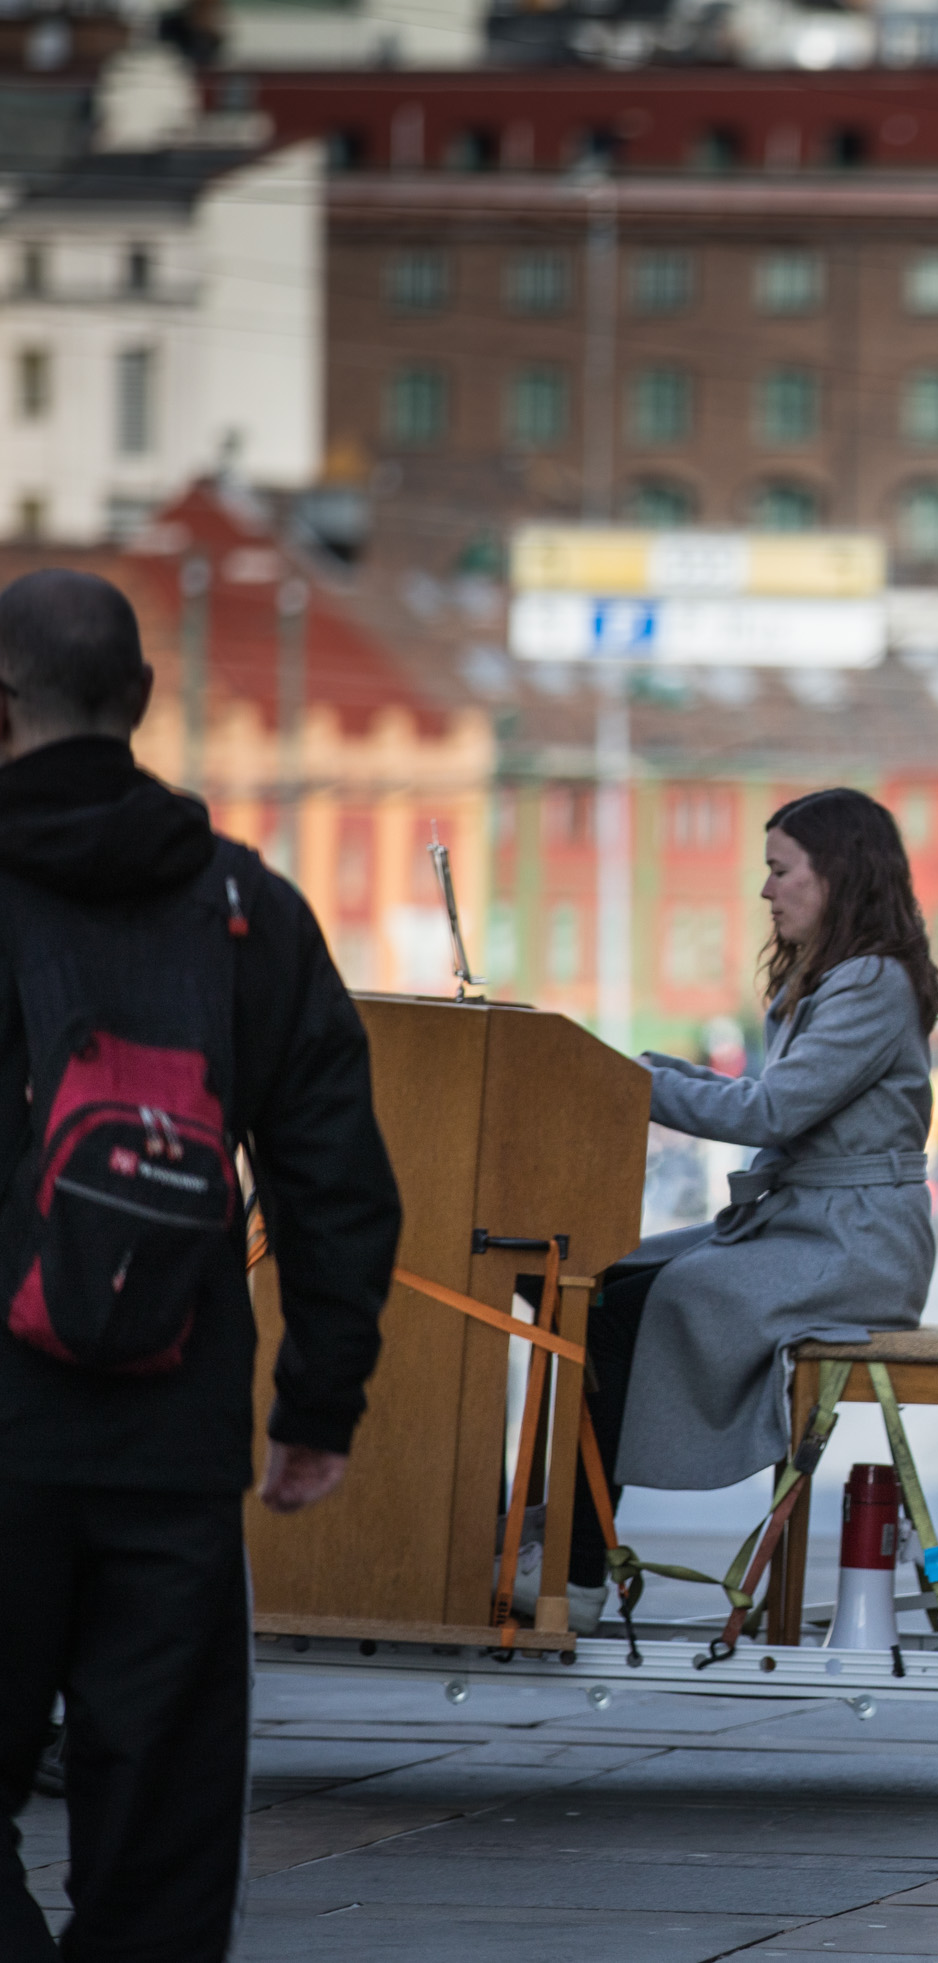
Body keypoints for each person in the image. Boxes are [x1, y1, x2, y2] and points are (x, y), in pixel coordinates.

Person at [0, 569, 401, 1960]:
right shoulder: (247, 906)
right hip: (175, 1426)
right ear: (144, 707)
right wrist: (317, 1401)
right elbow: (337, 1170)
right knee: (162, 1825)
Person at [566, 788, 938, 1616]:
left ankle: (576, 1565)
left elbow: (770, 1113)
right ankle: (562, 1542)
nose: (766, 890)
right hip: (816, 1227)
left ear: (836, 876)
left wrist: (632, 1084)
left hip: (856, 1244)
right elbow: (772, 1098)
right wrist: (642, 1069)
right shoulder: (847, 974)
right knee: (604, 1284)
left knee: (637, 1306)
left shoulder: (872, 981)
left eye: (779, 870)